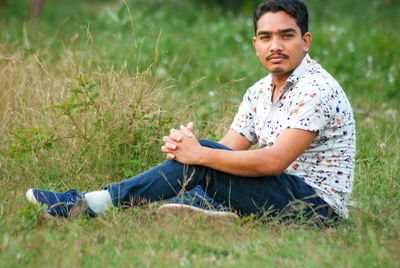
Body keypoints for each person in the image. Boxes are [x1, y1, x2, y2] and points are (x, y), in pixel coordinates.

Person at [26, 0, 356, 226]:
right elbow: (228, 152)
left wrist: (198, 153)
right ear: (255, 43)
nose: (275, 46)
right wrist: (187, 149)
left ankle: (88, 204)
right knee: (201, 165)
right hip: (275, 190)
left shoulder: (316, 88)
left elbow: (272, 162)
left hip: (314, 207)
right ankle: (214, 210)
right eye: (266, 37)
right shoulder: (258, 91)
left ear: (306, 40)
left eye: (287, 36)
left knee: (203, 160)